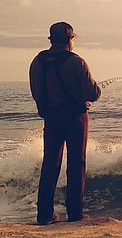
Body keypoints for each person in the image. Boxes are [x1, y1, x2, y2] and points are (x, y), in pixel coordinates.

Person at [29, 22, 101, 225]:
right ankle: (75, 213)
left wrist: (45, 109)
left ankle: (44, 215)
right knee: (76, 164)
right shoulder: (77, 62)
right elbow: (92, 93)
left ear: (51, 40)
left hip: (51, 117)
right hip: (75, 118)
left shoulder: (37, 62)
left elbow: (37, 92)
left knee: (50, 165)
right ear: (70, 39)